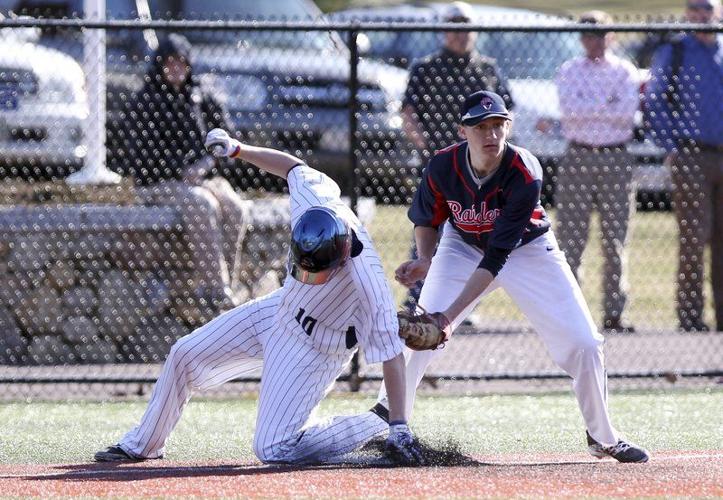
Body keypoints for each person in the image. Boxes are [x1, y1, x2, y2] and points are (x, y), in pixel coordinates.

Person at [94, 129, 424, 466]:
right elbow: (293, 166)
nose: (310, 278)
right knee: (183, 354)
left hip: (317, 346)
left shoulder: (368, 277)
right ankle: (143, 444)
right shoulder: (314, 201)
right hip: (279, 309)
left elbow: (392, 355)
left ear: (341, 256)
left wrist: (398, 424)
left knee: (273, 449)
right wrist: (238, 149)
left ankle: (377, 420)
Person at [373, 90, 649, 463]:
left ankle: (602, 436)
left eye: (498, 125)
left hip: (527, 249)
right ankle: (383, 425)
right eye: (480, 126)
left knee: (584, 342)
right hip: (461, 244)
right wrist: (428, 260)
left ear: (508, 127)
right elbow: (427, 219)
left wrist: (447, 320)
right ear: (463, 131)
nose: (490, 134)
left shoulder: (523, 171)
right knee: (417, 337)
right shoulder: (442, 165)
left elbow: (496, 259)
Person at [108, 33, 249, 309]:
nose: (176, 69)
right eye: (169, 63)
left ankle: (228, 287)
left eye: (181, 63)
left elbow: (229, 141)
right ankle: (214, 288)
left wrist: (206, 165)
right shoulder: (145, 102)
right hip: (159, 183)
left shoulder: (201, 98)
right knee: (201, 204)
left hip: (202, 177)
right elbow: (141, 159)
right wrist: (181, 171)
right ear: (159, 65)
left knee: (235, 208)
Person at [401, 1, 515, 312]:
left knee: (475, 232)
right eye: (453, 26)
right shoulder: (426, 68)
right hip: (438, 162)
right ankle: (418, 301)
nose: (460, 33)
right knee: (429, 227)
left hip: (480, 167)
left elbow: (508, 109)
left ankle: (463, 306)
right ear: (443, 30)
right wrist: (424, 143)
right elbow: (408, 111)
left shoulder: (486, 68)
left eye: (465, 26)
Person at [554, 11, 641, 333]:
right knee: (570, 239)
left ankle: (615, 313)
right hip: (578, 155)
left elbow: (626, 115)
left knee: (615, 239)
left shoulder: (624, 71)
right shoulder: (569, 70)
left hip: (615, 157)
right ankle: (570, 314)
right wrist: (604, 104)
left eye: (601, 34)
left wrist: (591, 105)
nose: (595, 41)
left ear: (612, 36)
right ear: (581, 39)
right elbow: (569, 113)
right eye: (589, 35)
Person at [644, 0, 723, 332]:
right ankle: (690, 318)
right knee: (694, 236)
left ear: (717, 12)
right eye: (694, 9)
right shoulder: (676, 52)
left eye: (706, 8)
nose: (700, 15)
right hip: (691, 153)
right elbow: (655, 100)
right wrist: (671, 146)